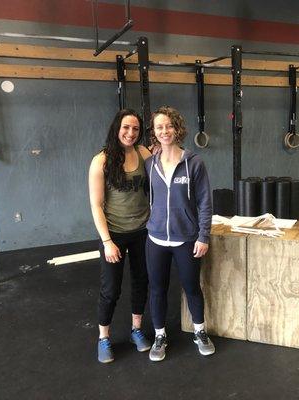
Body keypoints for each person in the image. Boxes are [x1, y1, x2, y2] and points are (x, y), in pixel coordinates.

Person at [144, 106, 214, 362]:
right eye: (159, 127)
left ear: (177, 128)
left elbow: (205, 202)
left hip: (186, 239)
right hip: (156, 240)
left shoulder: (194, 162)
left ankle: (200, 331)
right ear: (154, 131)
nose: (164, 131)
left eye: (169, 126)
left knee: (192, 288)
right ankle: (159, 335)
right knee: (157, 289)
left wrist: (203, 235)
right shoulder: (149, 164)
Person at [88, 109, 152, 363]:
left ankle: (136, 330)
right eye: (126, 127)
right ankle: (104, 337)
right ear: (117, 128)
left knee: (141, 282)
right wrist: (106, 242)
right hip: (114, 234)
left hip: (143, 232)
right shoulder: (101, 161)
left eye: (135, 129)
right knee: (110, 289)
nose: (130, 133)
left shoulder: (144, 154)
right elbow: (96, 205)